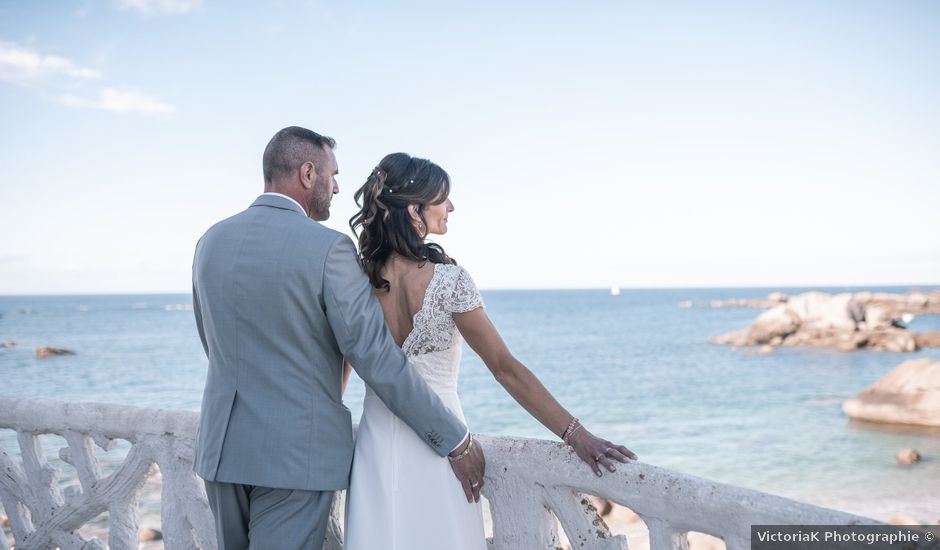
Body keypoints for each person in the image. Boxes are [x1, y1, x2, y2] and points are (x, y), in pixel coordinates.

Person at [191, 127, 484, 550]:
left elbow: (213, 342)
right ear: (308, 173)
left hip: (220, 451)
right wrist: (453, 439)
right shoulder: (329, 248)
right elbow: (373, 355)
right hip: (294, 458)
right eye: (332, 174)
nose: (337, 186)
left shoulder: (210, 241)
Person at [343, 153, 637, 550]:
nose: (451, 207)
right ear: (415, 210)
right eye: (442, 199)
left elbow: (339, 374)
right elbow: (504, 368)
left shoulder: (356, 283)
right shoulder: (450, 281)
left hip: (372, 454)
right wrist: (576, 434)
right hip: (443, 450)